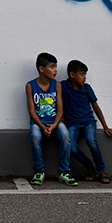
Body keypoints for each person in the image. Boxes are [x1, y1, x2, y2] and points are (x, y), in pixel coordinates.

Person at [61, 59, 112, 184]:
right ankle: (90, 167)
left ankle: (102, 170)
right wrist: (63, 122)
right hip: (72, 123)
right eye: (82, 74)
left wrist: (106, 127)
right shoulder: (63, 87)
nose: (85, 77)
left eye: (85, 74)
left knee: (91, 141)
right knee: (71, 146)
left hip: (88, 122)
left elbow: (96, 107)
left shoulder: (86, 88)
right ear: (72, 75)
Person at [27, 52, 76, 186]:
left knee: (65, 135)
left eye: (56, 67)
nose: (55, 70)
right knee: (35, 137)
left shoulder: (57, 85)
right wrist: (43, 127)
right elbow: (32, 111)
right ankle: (39, 171)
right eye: (52, 67)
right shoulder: (31, 86)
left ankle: (64, 172)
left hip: (55, 122)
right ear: (42, 69)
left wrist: (54, 125)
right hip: (38, 122)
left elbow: (60, 109)